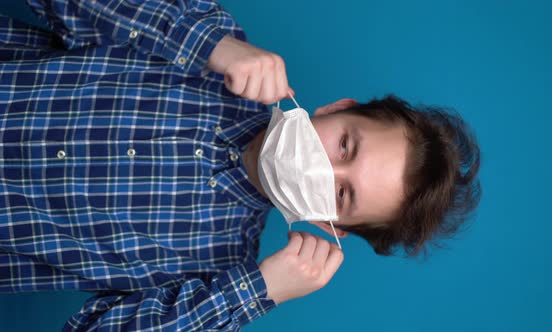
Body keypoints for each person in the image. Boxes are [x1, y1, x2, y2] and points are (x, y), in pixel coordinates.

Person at [0, 0, 481, 331]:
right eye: (345, 147)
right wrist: (203, 42)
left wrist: (256, 291)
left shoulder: (216, 275)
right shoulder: (210, 42)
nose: (320, 168)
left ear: (332, 226)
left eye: (342, 194)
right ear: (336, 109)